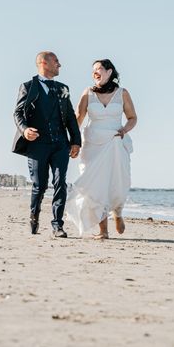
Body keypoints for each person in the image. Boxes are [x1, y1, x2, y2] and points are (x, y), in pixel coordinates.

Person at [65, 59, 137, 239]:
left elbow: (132, 117)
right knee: (95, 187)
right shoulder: (88, 93)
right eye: (93, 70)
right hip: (92, 145)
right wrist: (72, 142)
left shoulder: (122, 93)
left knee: (117, 183)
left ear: (109, 71)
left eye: (98, 69)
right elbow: (78, 118)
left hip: (115, 143)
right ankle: (103, 231)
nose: (94, 73)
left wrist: (124, 130)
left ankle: (118, 212)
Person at [12, 51, 82, 238]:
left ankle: (57, 225)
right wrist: (25, 130)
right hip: (37, 145)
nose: (60, 65)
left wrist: (76, 141)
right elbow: (17, 113)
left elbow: (69, 118)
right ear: (44, 63)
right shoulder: (28, 87)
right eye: (56, 61)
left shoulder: (63, 88)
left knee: (60, 182)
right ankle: (34, 216)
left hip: (60, 144)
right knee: (39, 185)